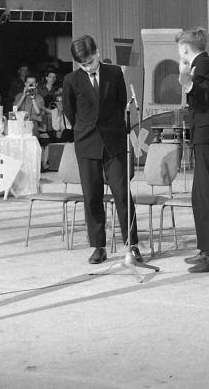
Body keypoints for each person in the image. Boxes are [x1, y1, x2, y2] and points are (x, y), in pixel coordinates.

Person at [62, 35, 140, 264]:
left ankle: (132, 244)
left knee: (122, 194)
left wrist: (112, 129)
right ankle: (98, 246)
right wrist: (86, 129)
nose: (88, 66)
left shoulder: (115, 73)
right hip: (86, 143)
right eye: (83, 64)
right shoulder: (71, 80)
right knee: (92, 197)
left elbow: (120, 103)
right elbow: (70, 112)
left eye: (90, 61)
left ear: (97, 52)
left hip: (113, 142)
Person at [176, 27, 209, 273]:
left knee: (208, 193)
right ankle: (205, 248)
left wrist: (189, 86)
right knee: (200, 193)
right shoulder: (201, 65)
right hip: (204, 134)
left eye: (179, 48)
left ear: (185, 48)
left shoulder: (206, 65)